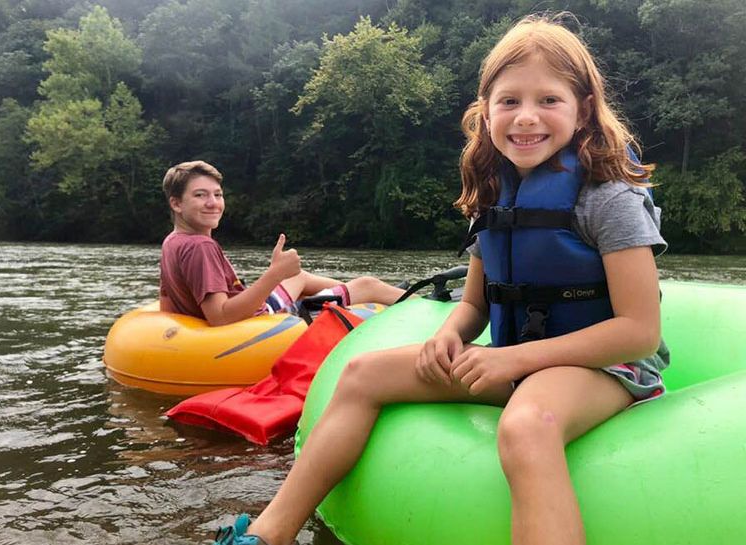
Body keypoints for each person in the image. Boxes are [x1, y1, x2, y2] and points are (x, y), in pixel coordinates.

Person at [212, 14, 669, 545]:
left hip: (608, 367)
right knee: (361, 374)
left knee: (525, 426)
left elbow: (639, 331)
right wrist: (449, 335)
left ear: (583, 108)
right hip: (514, 359)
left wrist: (514, 358)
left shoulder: (608, 197)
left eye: (548, 100)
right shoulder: (493, 193)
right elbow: (475, 304)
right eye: (508, 101)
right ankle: (267, 535)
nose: (526, 117)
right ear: (485, 110)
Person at [159, 160, 406, 326]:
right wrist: (274, 274)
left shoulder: (173, 241)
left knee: (300, 277)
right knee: (369, 284)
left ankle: (360, 293)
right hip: (259, 323)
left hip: (250, 315)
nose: (213, 202)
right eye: (200, 195)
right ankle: (426, 304)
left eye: (218, 194)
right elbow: (220, 317)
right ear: (176, 203)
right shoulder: (201, 247)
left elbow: (167, 301)